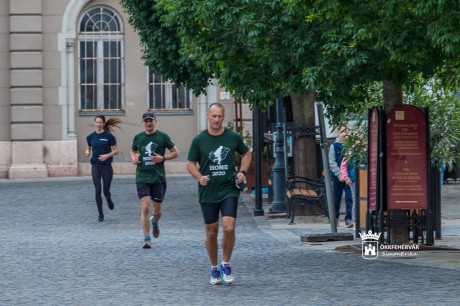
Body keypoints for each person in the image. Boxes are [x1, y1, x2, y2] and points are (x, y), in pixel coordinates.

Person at [186, 102, 252, 285]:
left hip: (228, 188)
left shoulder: (232, 137)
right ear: (208, 116)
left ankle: (226, 263)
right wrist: (199, 177)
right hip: (208, 190)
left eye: (220, 116)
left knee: (229, 227)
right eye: (213, 116)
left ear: (224, 117)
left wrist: (243, 171)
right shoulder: (199, 140)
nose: (216, 119)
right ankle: (214, 267)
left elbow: (247, 154)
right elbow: (190, 163)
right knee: (211, 231)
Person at [131, 111, 179, 249]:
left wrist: (162, 158)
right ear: (142, 123)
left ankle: (155, 222)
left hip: (158, 177)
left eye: (150, 120)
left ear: (155, 122)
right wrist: (134, 158)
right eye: (145, 121)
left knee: (157, 211)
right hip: (142, 176)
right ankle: (147, 239)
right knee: (145, 205)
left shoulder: (162, 137)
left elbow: (176, 152)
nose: (148, 123)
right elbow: (133, 150)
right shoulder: (138, 137)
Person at [86, 115, 121, 222]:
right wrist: (87, 152)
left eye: (100, 122)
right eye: (97, 122)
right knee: (97, 190)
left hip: (106, 166)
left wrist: (106, 156)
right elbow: (88, 147)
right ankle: (100, 214)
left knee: (105, 191)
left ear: (104, 124)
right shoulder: (90, 136)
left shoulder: (109, 136)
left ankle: (108, 199)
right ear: (94, 123)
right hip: (95, 166)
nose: (98, 124)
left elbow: (116, 150)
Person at [328, 126, 354, 228]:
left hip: (349, 177)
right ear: (338, 133)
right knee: (336, 198)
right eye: (342, 131)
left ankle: (348, 219)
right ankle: (335, 218)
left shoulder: (351, 146)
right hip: (337, 177)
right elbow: (332, 162)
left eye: (346, 131)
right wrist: (339, 175)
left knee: (349, 198)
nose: (345, 134)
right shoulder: (334, 146)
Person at [340, 154, 356, 229]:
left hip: (363, 177)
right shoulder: (350, 152)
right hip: (353, 179)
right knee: (355, 200)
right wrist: (346, 177)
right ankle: (356, 222)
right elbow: (343, 166)